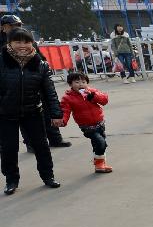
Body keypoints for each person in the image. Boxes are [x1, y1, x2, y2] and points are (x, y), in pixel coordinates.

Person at [0, 27, 64, 194]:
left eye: (26, 41)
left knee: (41, 146)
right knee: (8, 148)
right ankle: (11, 180)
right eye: (18, 41)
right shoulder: (1, 61)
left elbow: (49, 91)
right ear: (10, 43)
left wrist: (56, 114)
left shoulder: (40, 64)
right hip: (6, 114)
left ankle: (48, 176)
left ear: (32, 43)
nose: (23, 45)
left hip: (33, 112)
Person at [60, 72, 113, 173]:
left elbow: (104, 100)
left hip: (100, 123)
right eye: (77, 82)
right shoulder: (67, 98)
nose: (81, 84)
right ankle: (99, 163)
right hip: (87, 126)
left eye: (83, 82)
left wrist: (94, 96)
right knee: (101, 143)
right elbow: (65, 111)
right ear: (70, 84)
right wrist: (62, 121)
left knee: (98, 144)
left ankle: (99, 164)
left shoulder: (91, 92)